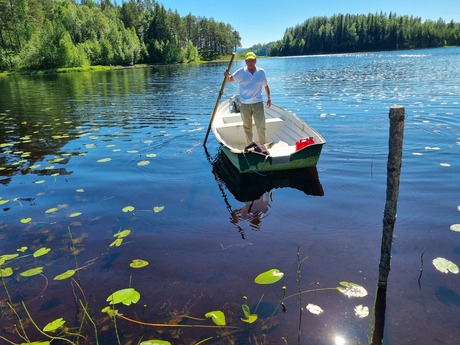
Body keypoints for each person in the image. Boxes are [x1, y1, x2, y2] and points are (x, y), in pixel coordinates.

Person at [225, 52, 271, 145]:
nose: (250, 62)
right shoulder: (241, 72)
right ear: (245, 61)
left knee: (261, 126)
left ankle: (263, 145)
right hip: (245, 104)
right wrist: (226, 76)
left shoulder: (261, 72)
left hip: (257, 103)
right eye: (248, 61)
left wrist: (269, 98)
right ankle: (250, 146)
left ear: (255, 61)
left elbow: (266, 86)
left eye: (252, 60)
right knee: (247, 127)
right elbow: (229, 79)